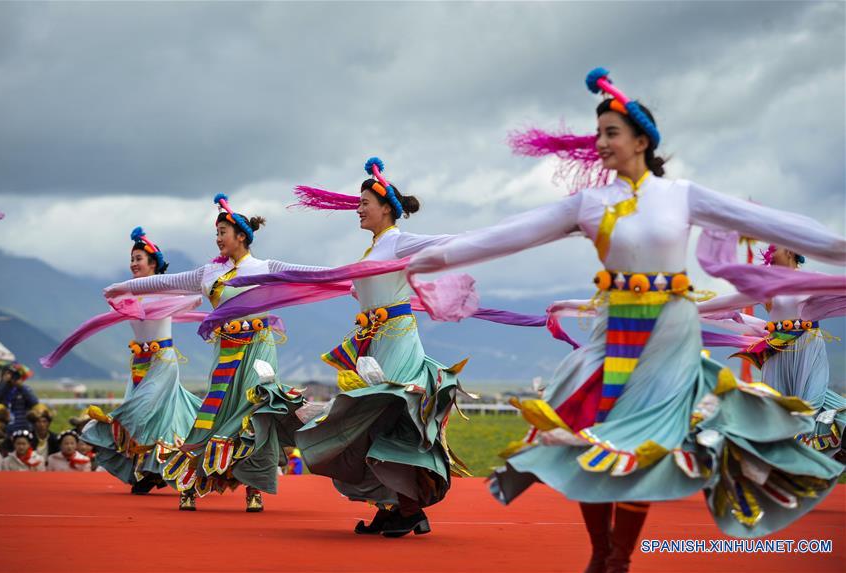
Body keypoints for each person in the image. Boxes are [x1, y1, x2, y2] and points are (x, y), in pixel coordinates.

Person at [407, 68, 846, 571]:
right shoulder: (590, 203)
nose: (600, 142)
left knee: (645, 445)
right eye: (597, 133)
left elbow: (777, 225)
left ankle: (619, 558)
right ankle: (600, 550)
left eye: (610, 132)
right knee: (585, 436)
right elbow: (507, 234)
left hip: (669, 339)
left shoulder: (681, 195)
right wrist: (426, 261)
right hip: (613, 334)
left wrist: (838, 248)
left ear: (642, 140)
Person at [279, 158, 467, 537]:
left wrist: (501, 237)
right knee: (372, 421)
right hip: (374, 343)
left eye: (365, 202)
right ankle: (392, 505)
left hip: (396, 339)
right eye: (359, 202)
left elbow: (447, 243)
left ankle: (410, 507)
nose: (359, 209)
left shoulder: (397, 241)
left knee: (384, 414)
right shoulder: (373, 250)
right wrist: (284, 274)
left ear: (387, 208)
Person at [103, 196, 316, 511]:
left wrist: (352, 276)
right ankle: (190, 483)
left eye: (222, 232)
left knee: (257, 413)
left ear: (241, 236)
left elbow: (311, 274)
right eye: (216, 233)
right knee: (214, 415)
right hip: (226, 352)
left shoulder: (265, 267)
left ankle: (254, 488)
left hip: (259, 350)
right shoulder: (209, 273)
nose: (217, 239)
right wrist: (122, 287)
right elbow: (167, 281)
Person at [77, 228, 201, 494]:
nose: (133, 264)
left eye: (138, 259)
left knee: (139, 411)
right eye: (132, 259)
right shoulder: (127, 294)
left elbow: (195, 299)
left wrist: (179, 302)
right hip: (139, 361)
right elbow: (111, 299)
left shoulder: (166, 289)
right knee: (160, 418)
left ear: (153, 263)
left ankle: (105, 427)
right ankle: (153, 472)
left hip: (162, 360)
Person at [698, 244, 846, 462]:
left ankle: (803, 459)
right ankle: (777, 461)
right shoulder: (768, 285)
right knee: (774, 408)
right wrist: (692, 307)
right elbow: (730, 301)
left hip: (807, 346)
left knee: (810, 405)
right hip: (777, 349)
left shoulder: (812, 280)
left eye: (774, 249)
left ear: (789, 251)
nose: (769, 255)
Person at [0, 363, 38, 434]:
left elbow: (34, 402)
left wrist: (21, 386)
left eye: (16, 375)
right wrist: (3, 383)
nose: (13, 378)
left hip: (22, 427)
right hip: (4, 429)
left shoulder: (25, 389)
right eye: (10, 375)